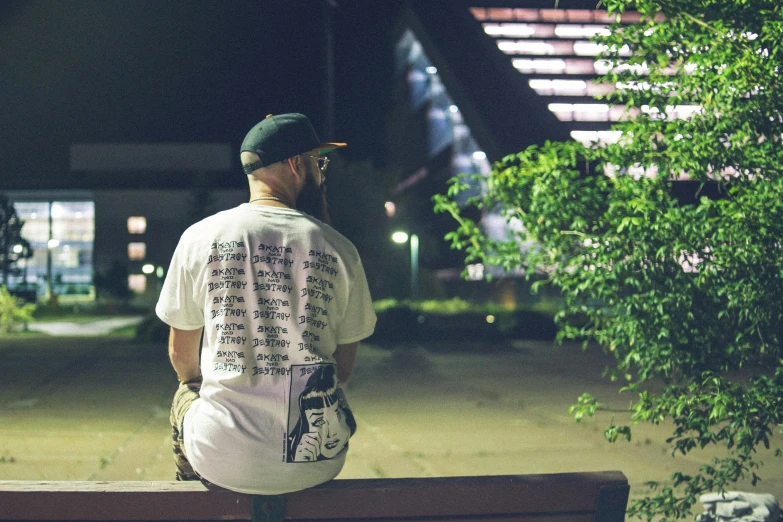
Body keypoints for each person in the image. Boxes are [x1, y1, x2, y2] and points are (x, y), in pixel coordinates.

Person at [156, 113, 377, 495]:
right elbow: (342, 370)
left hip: (220, 458)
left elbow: (181, 354)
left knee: (185, 392)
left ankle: (193, 499)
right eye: (317, 162)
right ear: (295, 164)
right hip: (316, 462)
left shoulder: (200, 238)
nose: (321, 173)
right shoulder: (339, 249)